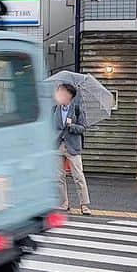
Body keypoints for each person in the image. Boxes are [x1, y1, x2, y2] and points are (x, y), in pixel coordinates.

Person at [53, 81, 91, 215]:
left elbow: (83, 127)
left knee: (78, 176)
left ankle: (84, 205)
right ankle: (63, 203)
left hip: (73, 146)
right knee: (59, 177)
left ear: (70, 96)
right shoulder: (55, 109)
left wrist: (71, 126)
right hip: (58, 145)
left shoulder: (77, 108)